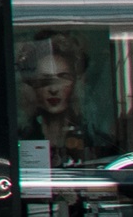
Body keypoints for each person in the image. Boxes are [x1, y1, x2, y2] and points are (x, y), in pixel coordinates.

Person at [16, 32, 109, 164]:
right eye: (45, 80)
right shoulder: (20, 140)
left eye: (63, 77)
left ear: (76, 81)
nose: (53, 89)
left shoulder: (95, 140)